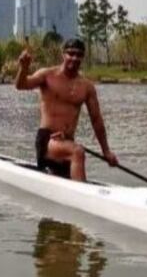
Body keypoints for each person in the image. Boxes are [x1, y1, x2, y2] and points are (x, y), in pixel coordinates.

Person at [15, 38, 119, 181]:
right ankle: (83, 197)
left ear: (83, 57)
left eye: (78, 55)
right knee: (78, 152)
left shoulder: (87, 87)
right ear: (63, 54)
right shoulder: (47, 75)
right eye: (71, 53)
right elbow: (21, 85)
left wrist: (106, 151)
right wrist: (24, 68)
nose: (74, 58)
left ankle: (78, 189)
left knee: (73, 155)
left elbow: (96, 120)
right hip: (48, 140)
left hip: (67, 141)